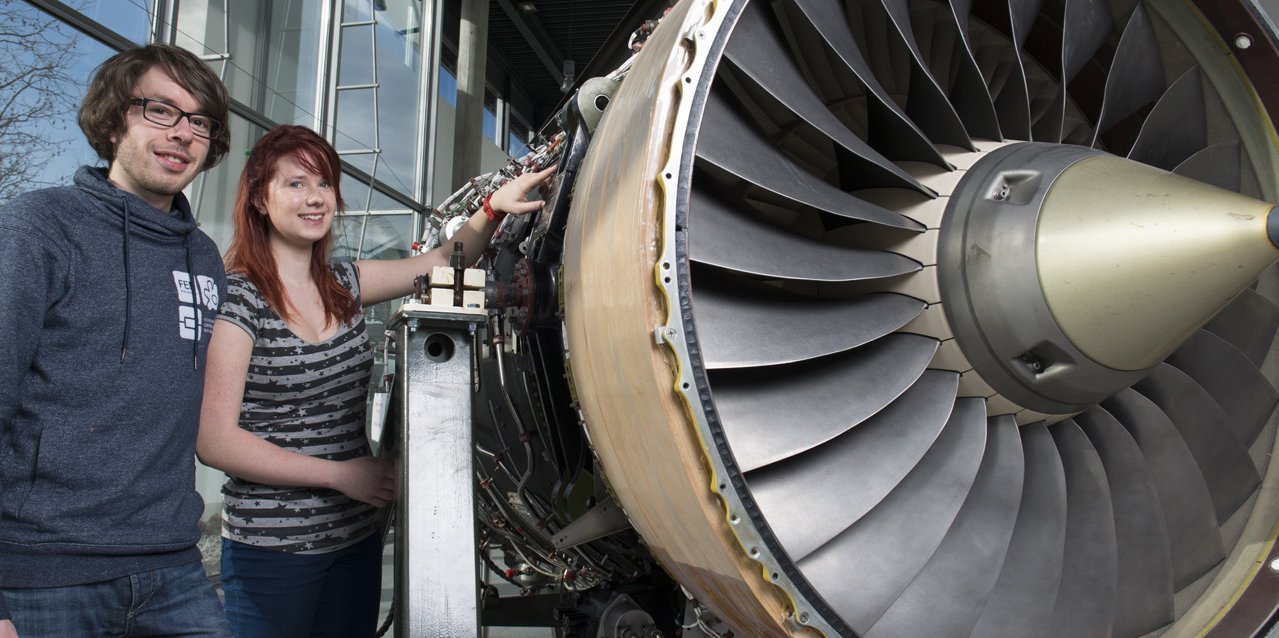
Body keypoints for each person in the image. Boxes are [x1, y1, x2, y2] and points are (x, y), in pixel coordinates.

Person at [196, 124, 555, 637]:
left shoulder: (343, 285)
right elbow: (215, 440)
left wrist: (492, 208)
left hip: (353, 538)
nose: (315, 198)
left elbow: (438, 263)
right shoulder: (240, 298)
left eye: (324, 183)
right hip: (273, 550)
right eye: (296, 184)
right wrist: (340, 475)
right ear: (259, 198)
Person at [0, 44, 234, 637]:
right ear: (111, 122)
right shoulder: (40, 226)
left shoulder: (203, 255)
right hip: (44, 573)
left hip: (173, 567)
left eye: (199, 120)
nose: (182, 133)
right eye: (160, 110)